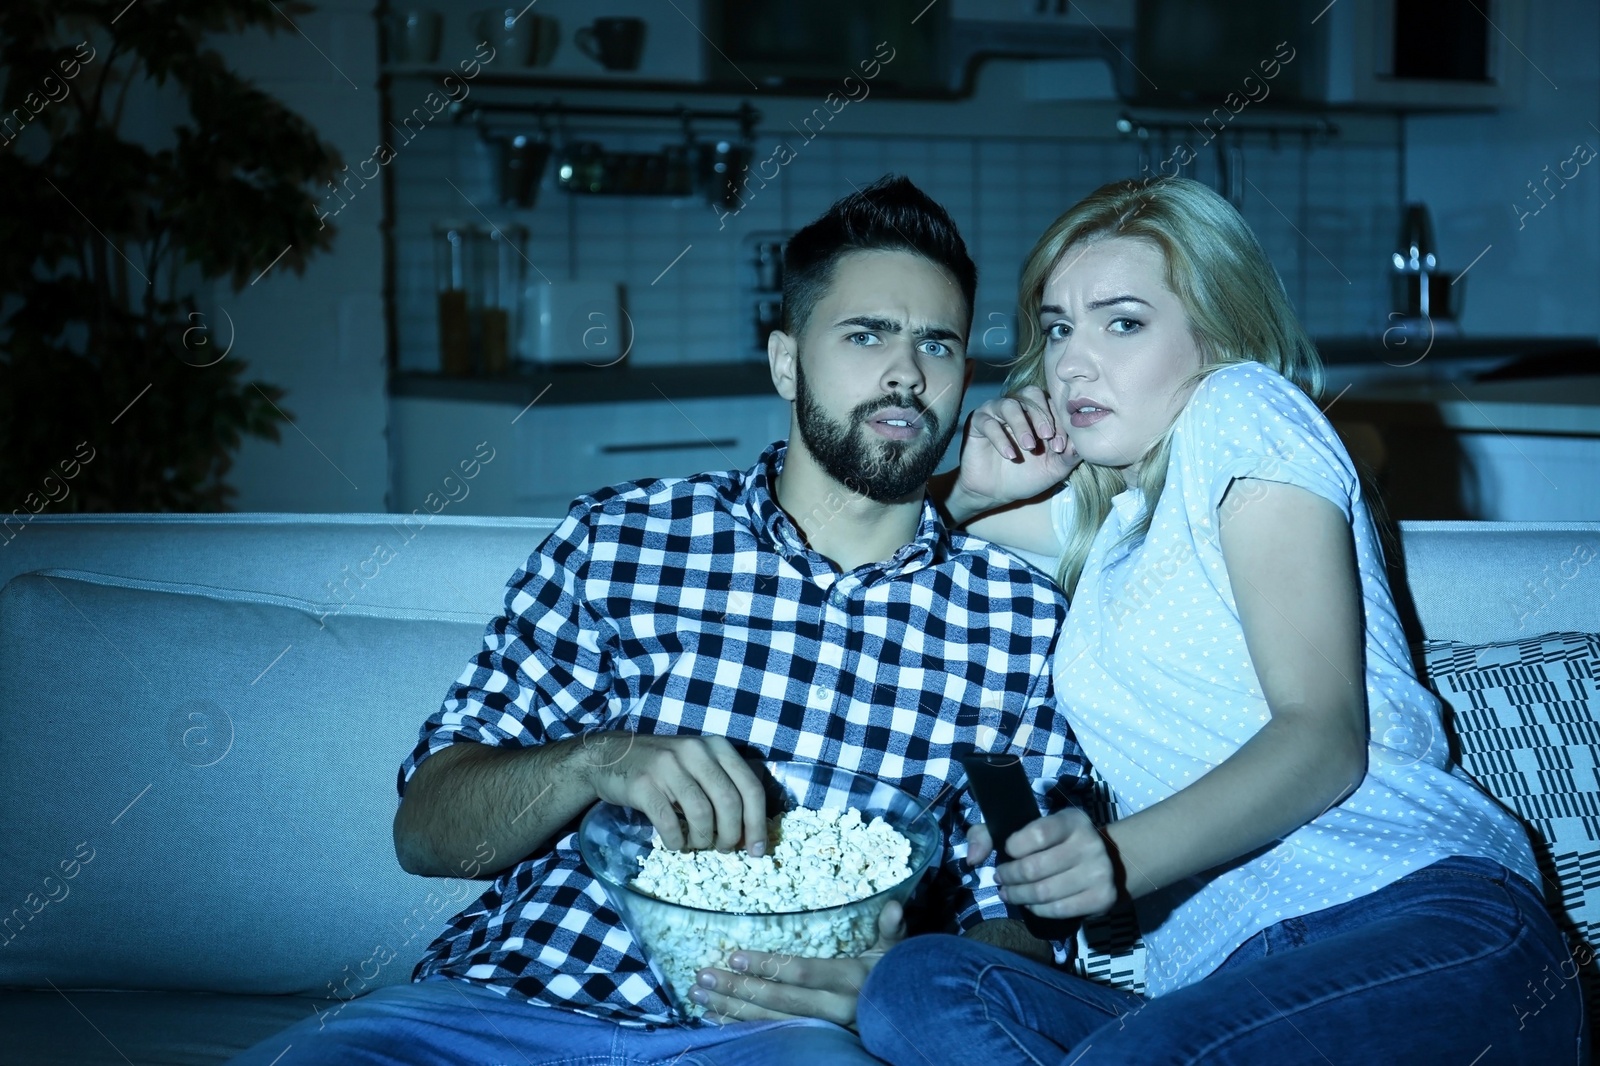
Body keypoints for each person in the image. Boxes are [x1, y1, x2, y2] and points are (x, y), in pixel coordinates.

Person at [226, 175, 1091, 1066]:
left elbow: (1032, 924)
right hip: (500, 1007)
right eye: (866, 334)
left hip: (776, 1041)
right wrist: (599, 758)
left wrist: (899, 970)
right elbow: (428, 832)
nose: (907, 371)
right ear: (787, 361)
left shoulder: (1017, 627)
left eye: (937, 345)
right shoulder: (623, 538)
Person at [861, 176, 1589, 1064]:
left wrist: (1116, 859)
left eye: (1122, 322)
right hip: (1233, 988)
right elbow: (871, 525)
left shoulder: (1242, 410)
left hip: (1424, 923)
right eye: (1057, 329)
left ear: (1213, 335)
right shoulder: (1109, 521)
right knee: (919, 988)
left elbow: (1323, 738)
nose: (1073, 363)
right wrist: (973, 491)